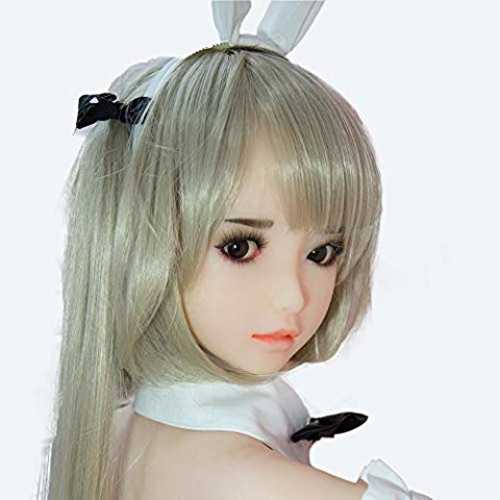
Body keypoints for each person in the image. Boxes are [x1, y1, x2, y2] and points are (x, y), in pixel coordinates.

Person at [36, 1, 433, 499]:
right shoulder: (248, 480)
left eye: (323, 252)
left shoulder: (112, 435)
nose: (293, 296)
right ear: (143, 238)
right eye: (240, 247)